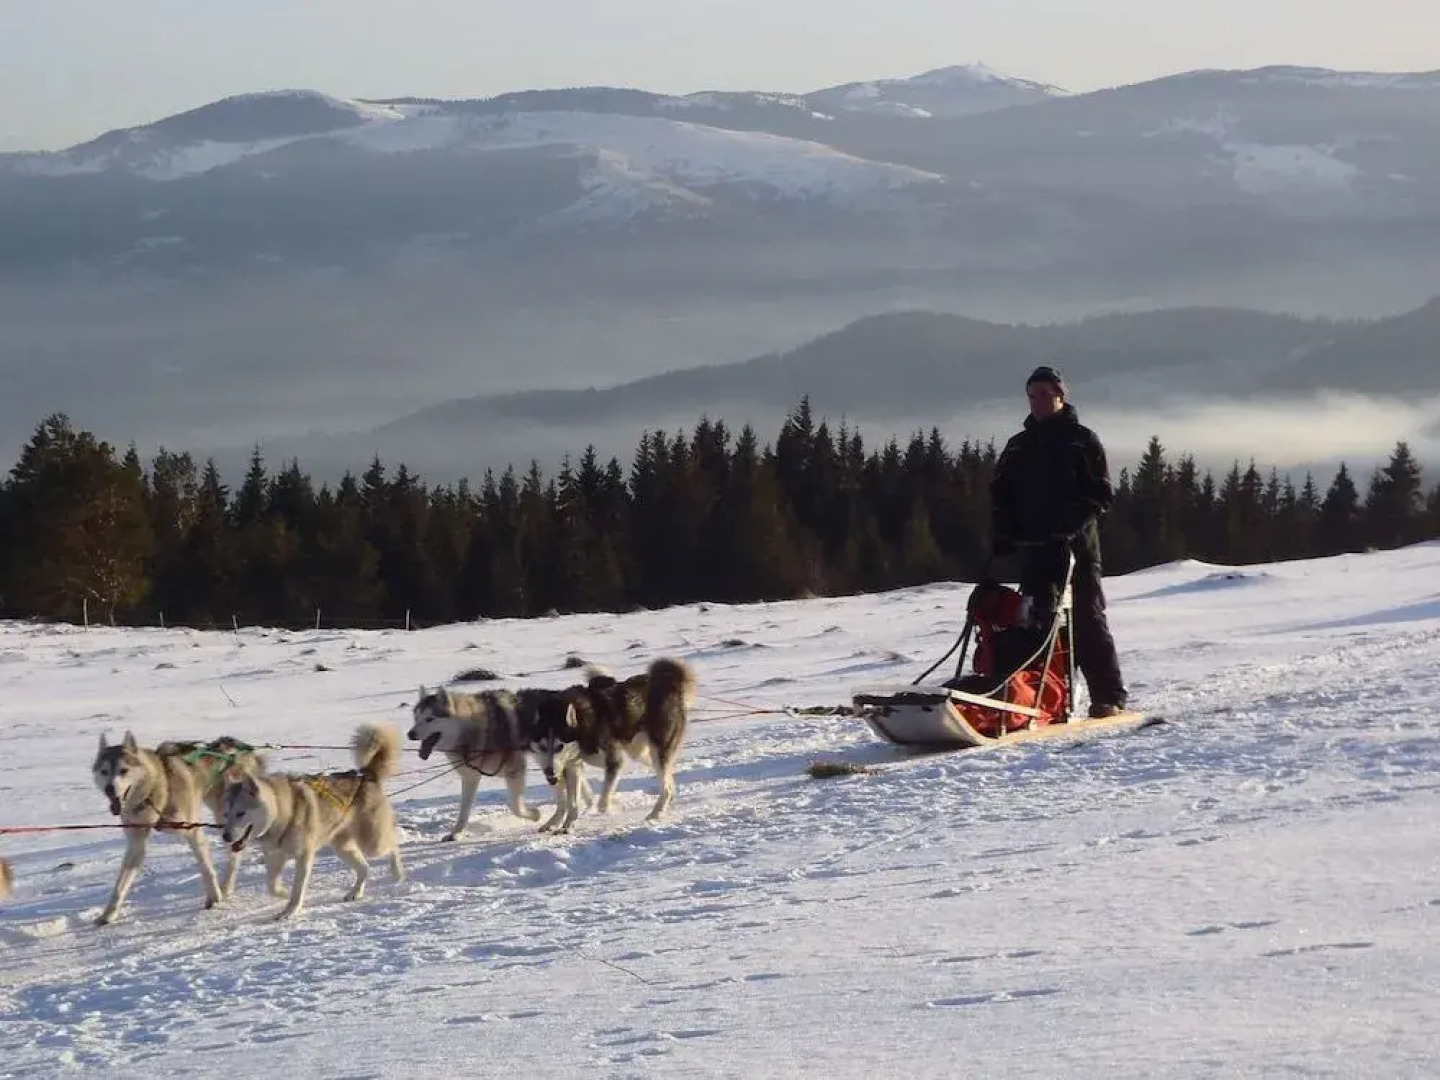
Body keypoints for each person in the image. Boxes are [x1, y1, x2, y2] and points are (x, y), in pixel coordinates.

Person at [989, 365, 1128, 718]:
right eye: (1032, 395)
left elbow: (1100, 493)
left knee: (1087, 621)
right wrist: (1004, 531)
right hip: (1035, 551)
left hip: (1077, 550)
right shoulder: (1018, 446)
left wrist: (1071, 525)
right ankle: (1037, 698)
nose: (1037, 401)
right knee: (1034, 622)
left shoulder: (1082, 440)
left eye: (1045, 394)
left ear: (1061, 396)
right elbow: (1001, 493)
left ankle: (1108, 697)